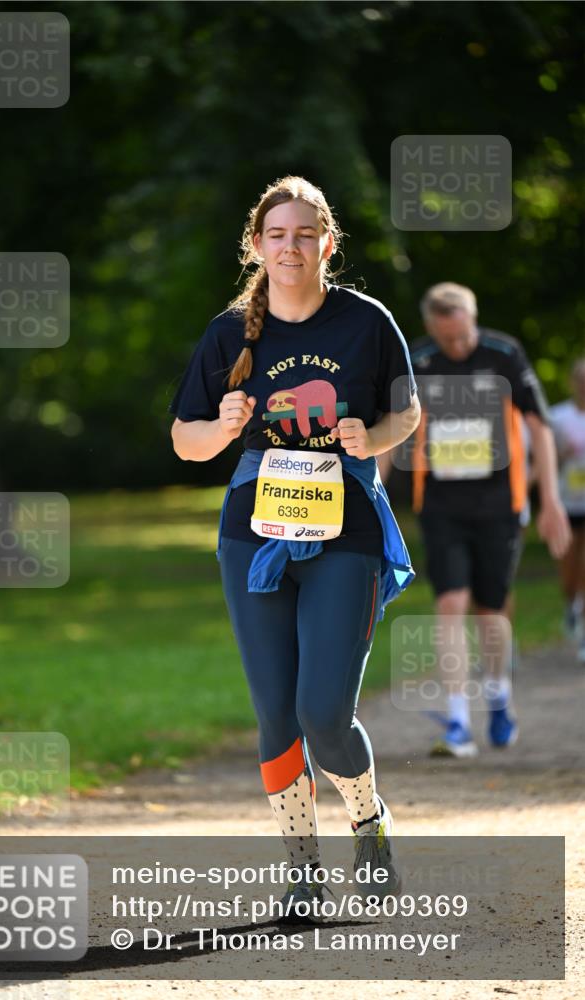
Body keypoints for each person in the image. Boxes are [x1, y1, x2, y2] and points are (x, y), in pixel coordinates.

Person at [169, 175, 420, 921]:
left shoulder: (365, 321)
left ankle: (368, 826)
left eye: (304, 234)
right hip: (253, 538)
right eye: (276, 235)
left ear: (327, 244)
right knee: (275, 714)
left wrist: (366, 437)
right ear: (256, 245)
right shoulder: (228, 334)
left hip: (345, 533)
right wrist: (222, 424)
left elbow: (405, 415)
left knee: (322, 714)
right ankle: (302, 872)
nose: (290, 246)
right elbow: (185, 443)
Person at [378, 283, 571, 757]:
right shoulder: (418, 363)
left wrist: (550, 500)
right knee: (450, 604)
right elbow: (388, 432)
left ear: (473, 320)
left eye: (463, 337)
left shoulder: (504, 354)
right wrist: (374, 495)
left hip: (499, 505)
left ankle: (499, 696)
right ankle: (458, 722)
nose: (458, 348)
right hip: (441, 504)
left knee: (491, 611)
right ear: (431, 329)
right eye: (448, 340)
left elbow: (540, 428)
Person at [550, 358, 585, 660]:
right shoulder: (558, 416)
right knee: (570, 568)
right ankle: (570, 605)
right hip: (567, 503)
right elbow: (546, 462)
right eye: (581, 380)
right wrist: (562, 454)